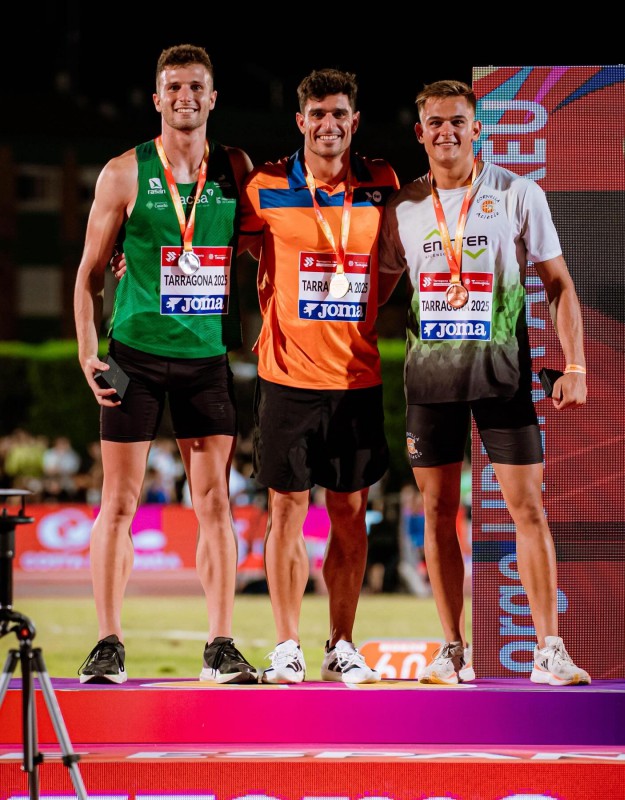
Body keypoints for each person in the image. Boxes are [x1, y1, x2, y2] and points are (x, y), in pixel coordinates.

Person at [378, 79, 591, 687]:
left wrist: (573, 365)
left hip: (503, 379)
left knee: (528, 510)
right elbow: (374, 286)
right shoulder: (403, 207)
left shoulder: (518, 193)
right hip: (431, 382)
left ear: (479, 129)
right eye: (435, 123)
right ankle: (452, 650)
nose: (447, 131)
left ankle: (549, 648)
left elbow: (558, 285)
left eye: (458, 121)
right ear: (419, 133)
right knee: (439, 512)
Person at [73, 44, 258, 685]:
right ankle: (107, 644)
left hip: (206, 361)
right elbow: (88, 273)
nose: (185, 96)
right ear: (157, 99)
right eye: (173, 86)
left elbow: (263, 248)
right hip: (133, 359)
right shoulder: (123, 173)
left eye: (196, 86)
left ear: (212, 97)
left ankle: (220, 646)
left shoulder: (235, 167)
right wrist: (87, 350)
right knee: (117, 502)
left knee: (214, 505)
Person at [239, 68, 401, 683]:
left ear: (354, 122)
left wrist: (370, 303)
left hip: (356, 379)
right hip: (285, 378)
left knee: (351, 515)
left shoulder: (380, 183)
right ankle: (286, 646)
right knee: (285, 511)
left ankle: (341, 644)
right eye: (318, 114)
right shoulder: (267, 184)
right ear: (300, 121)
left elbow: (392, 261)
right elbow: (226, 245)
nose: (329, 124)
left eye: (340, 114)